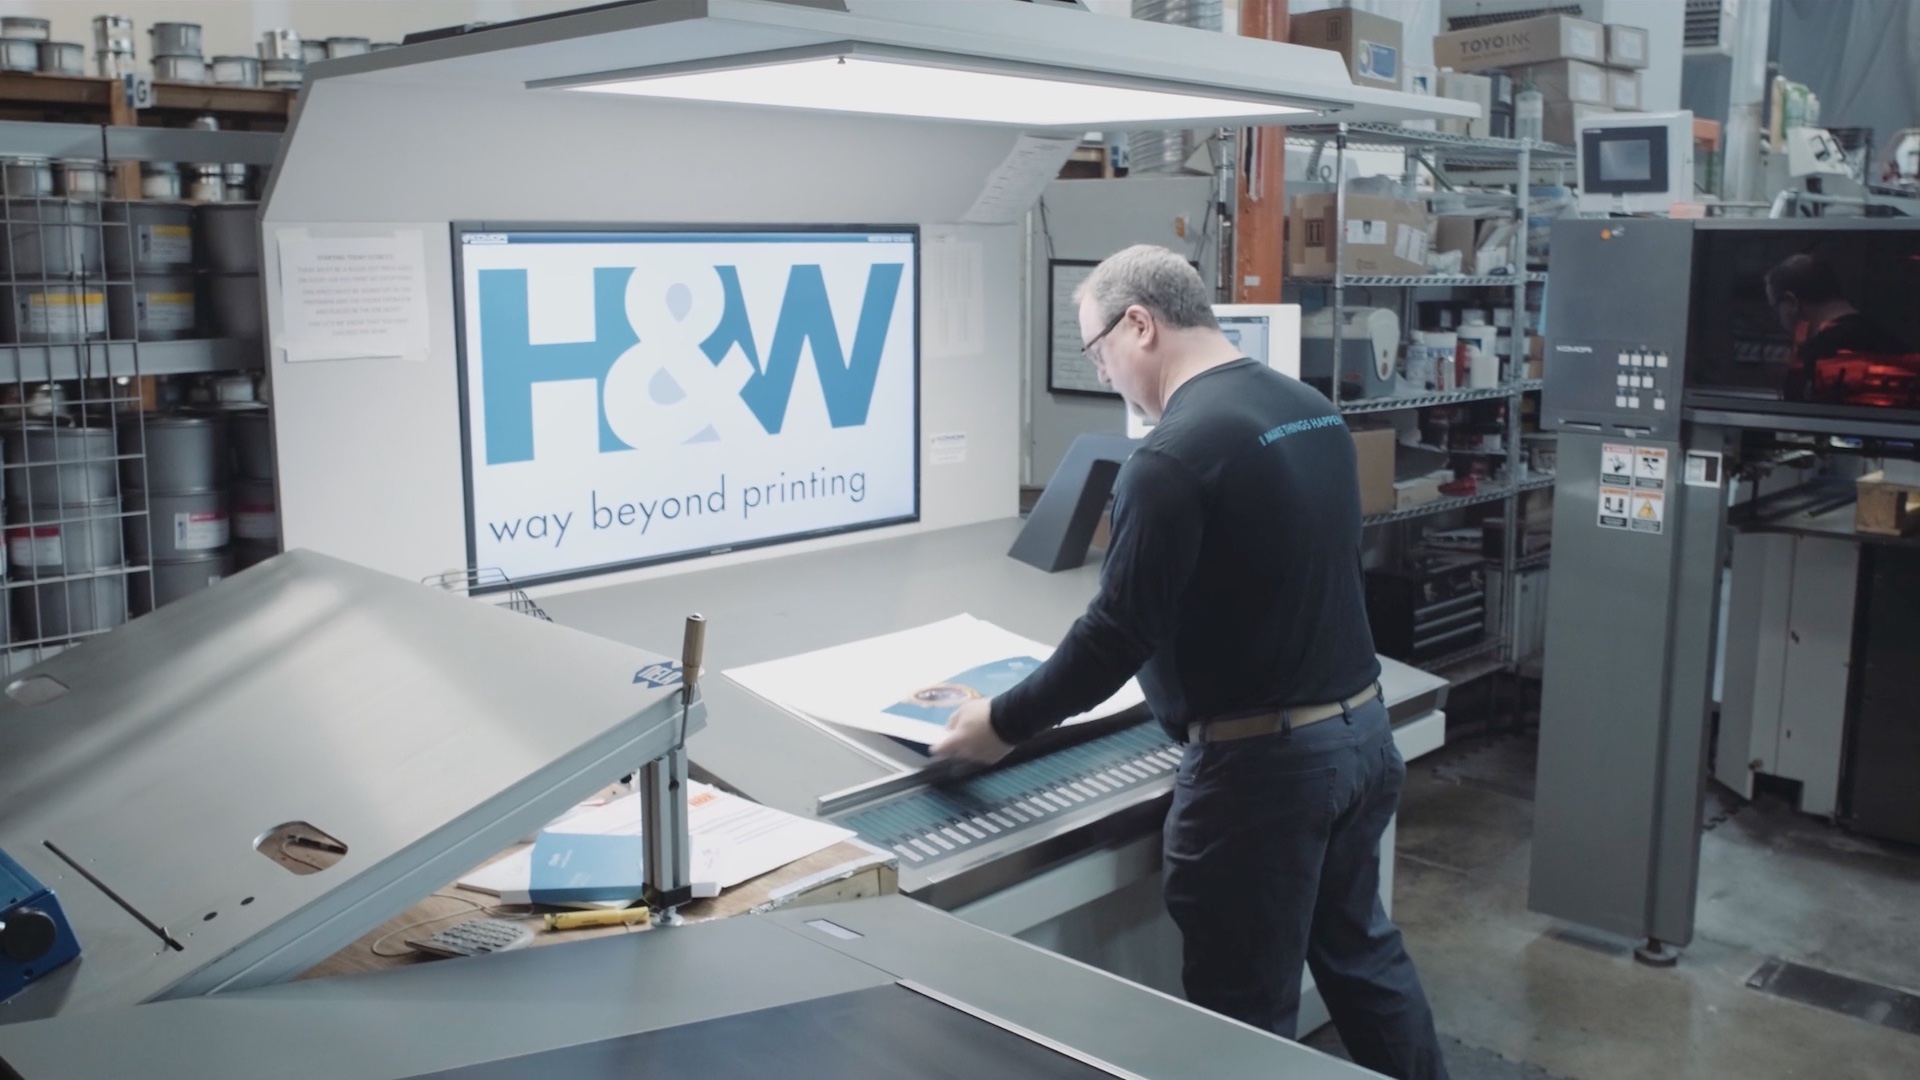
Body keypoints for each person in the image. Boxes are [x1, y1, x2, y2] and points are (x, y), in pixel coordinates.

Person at [933, 245, 1448, 1080]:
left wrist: (1001, 723)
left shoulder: (1172, 457)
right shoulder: (1308, 407)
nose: (1105, 375)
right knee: (1363, 959)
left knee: (1241, 1027)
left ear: (1140, 323)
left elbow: (1115, 633)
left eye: (1098, 352)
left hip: (1263, 776)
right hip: (1360, 738)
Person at [1765, 253, 1912, 403]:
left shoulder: (1814, 357)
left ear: (1791, 302)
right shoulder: (1890, 341)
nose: (1778, 316)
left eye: (1775, 308)